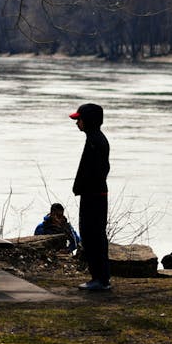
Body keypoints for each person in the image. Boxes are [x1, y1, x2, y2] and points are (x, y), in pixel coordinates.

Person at [71, 102, 111, 291]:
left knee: (92, 235)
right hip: (94, 194)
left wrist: (83, 187)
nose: (77, 123)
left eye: (79, 119)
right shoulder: (95, 138)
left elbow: (96, 171)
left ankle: (100, 279)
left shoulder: (96, 141)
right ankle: (100, 277)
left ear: (88, 120)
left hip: (94, 196)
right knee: (92, 236)